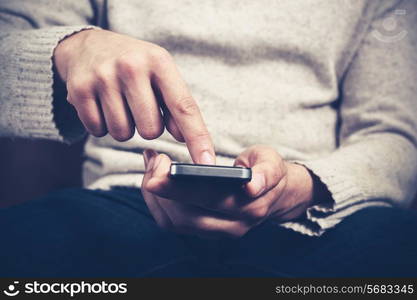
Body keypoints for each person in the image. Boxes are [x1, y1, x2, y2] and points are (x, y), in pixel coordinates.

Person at [0, 0, 416, 277]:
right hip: (120, 199)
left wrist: (304, 187)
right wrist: (70, 48)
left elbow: (394, 135)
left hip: (314, 211)